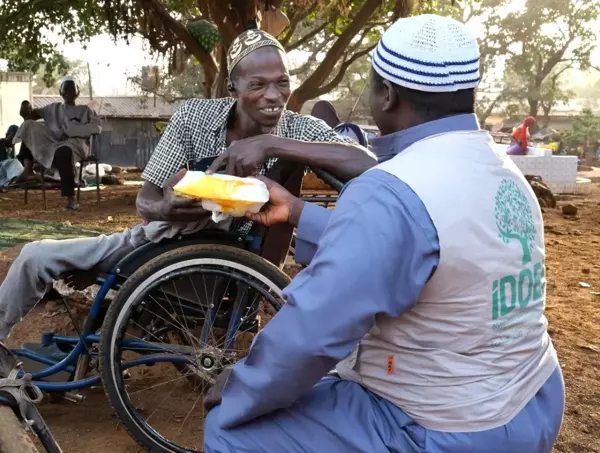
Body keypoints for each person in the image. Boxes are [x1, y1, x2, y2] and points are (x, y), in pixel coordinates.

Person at [202, 14, 564, 453]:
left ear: (386, 95)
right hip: (534, 401)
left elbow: (312, 333)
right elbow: (421, 249)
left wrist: (241, 384)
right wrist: (297, 211)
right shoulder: (506, 174)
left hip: (450, 426)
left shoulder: (393, 188)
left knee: (227, 429)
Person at [0, 29, 374, 342]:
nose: (274, 96)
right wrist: (164, 207)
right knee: (42, 255)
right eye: (258, 85)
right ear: (232, 88)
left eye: (282, 84)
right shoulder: (194, 117)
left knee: (34, 254)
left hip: (220, 260)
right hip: (163, 239)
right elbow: (146, 199)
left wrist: (270, 143)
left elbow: (368, 164)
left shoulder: (297, 129)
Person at [12, 78, 101, 210]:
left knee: (63, 151)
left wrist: (72, 130)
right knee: (28, 125)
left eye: (72, 89)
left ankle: (71, 199)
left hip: (76, 145)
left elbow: (96, 128)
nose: (68, 92)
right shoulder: (53, 108)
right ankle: (28, 170)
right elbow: (31, 115)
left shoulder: (85, 110)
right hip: (53, 142)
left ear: (77, 92)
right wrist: (26, 108)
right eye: (65, 89)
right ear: (61, 92)